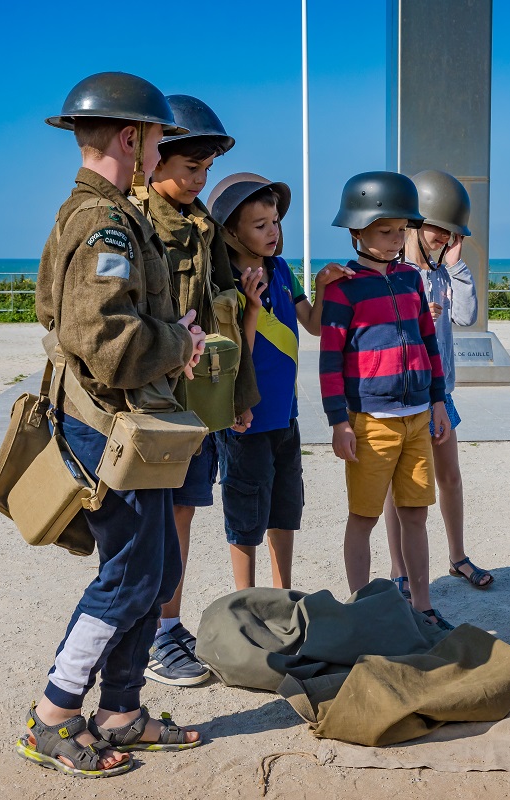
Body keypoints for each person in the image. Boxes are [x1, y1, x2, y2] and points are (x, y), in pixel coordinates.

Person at [20, 72, 205, 778]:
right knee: (130, 575)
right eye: (160, 136)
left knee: (154, 569)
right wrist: (178, 343)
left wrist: (163, 334)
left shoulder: (107, 215)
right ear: (132, 138)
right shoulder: (101, 222)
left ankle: (121, 710)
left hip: (130, 422)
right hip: (111, 426)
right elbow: (103, 340)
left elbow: (62, 317)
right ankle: (54, 716)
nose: (162, 148)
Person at [142, 94, 261, 688]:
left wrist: (238, 396)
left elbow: (227, 314)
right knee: (149, 517)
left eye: (206, 169)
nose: (199, 180)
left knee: (183, 512)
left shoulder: (204, 228)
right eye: (190, 167)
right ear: (152, 157)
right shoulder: (133, 222)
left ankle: (167, 625)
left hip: (196, 402)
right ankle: (149, 629)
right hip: (149, 402)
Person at [205, 172, 352, 591]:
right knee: (245, 515)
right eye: (260, 225)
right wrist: (251, 306)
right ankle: (246, 600)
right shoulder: (225, 282)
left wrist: (323, 287)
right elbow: (236, 353)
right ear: (231, 232)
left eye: (276, 221)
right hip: (244, 418)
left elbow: (314, 324)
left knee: (284, 509)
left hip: (285, 416)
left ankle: (282, 593)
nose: (273, 231)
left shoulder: (282, 270)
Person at [320, 171, 453, 629]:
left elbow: (429, 343)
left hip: (418, 416)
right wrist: (339, 421)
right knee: (363, 517)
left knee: (415, 514)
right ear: (356, 231)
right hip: (370, 420)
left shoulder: (412, 280)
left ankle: (423, 605)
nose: (396, 239)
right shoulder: (342, 287)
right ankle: (362, 608)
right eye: (384, 230)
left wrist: (437, 401)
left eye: (401, 229)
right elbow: (329, 361)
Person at [383, 169, 491, 598]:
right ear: (414, 223)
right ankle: (399, 569)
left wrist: (457, 265)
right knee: (401, 487)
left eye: (449, 232)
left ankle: (458, 555)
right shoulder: (396, 272)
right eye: (436, 229)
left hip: (440, 391)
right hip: (406, 390)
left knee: (450, 476)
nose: (442, 238)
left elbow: (466, 316)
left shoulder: (443, 273)